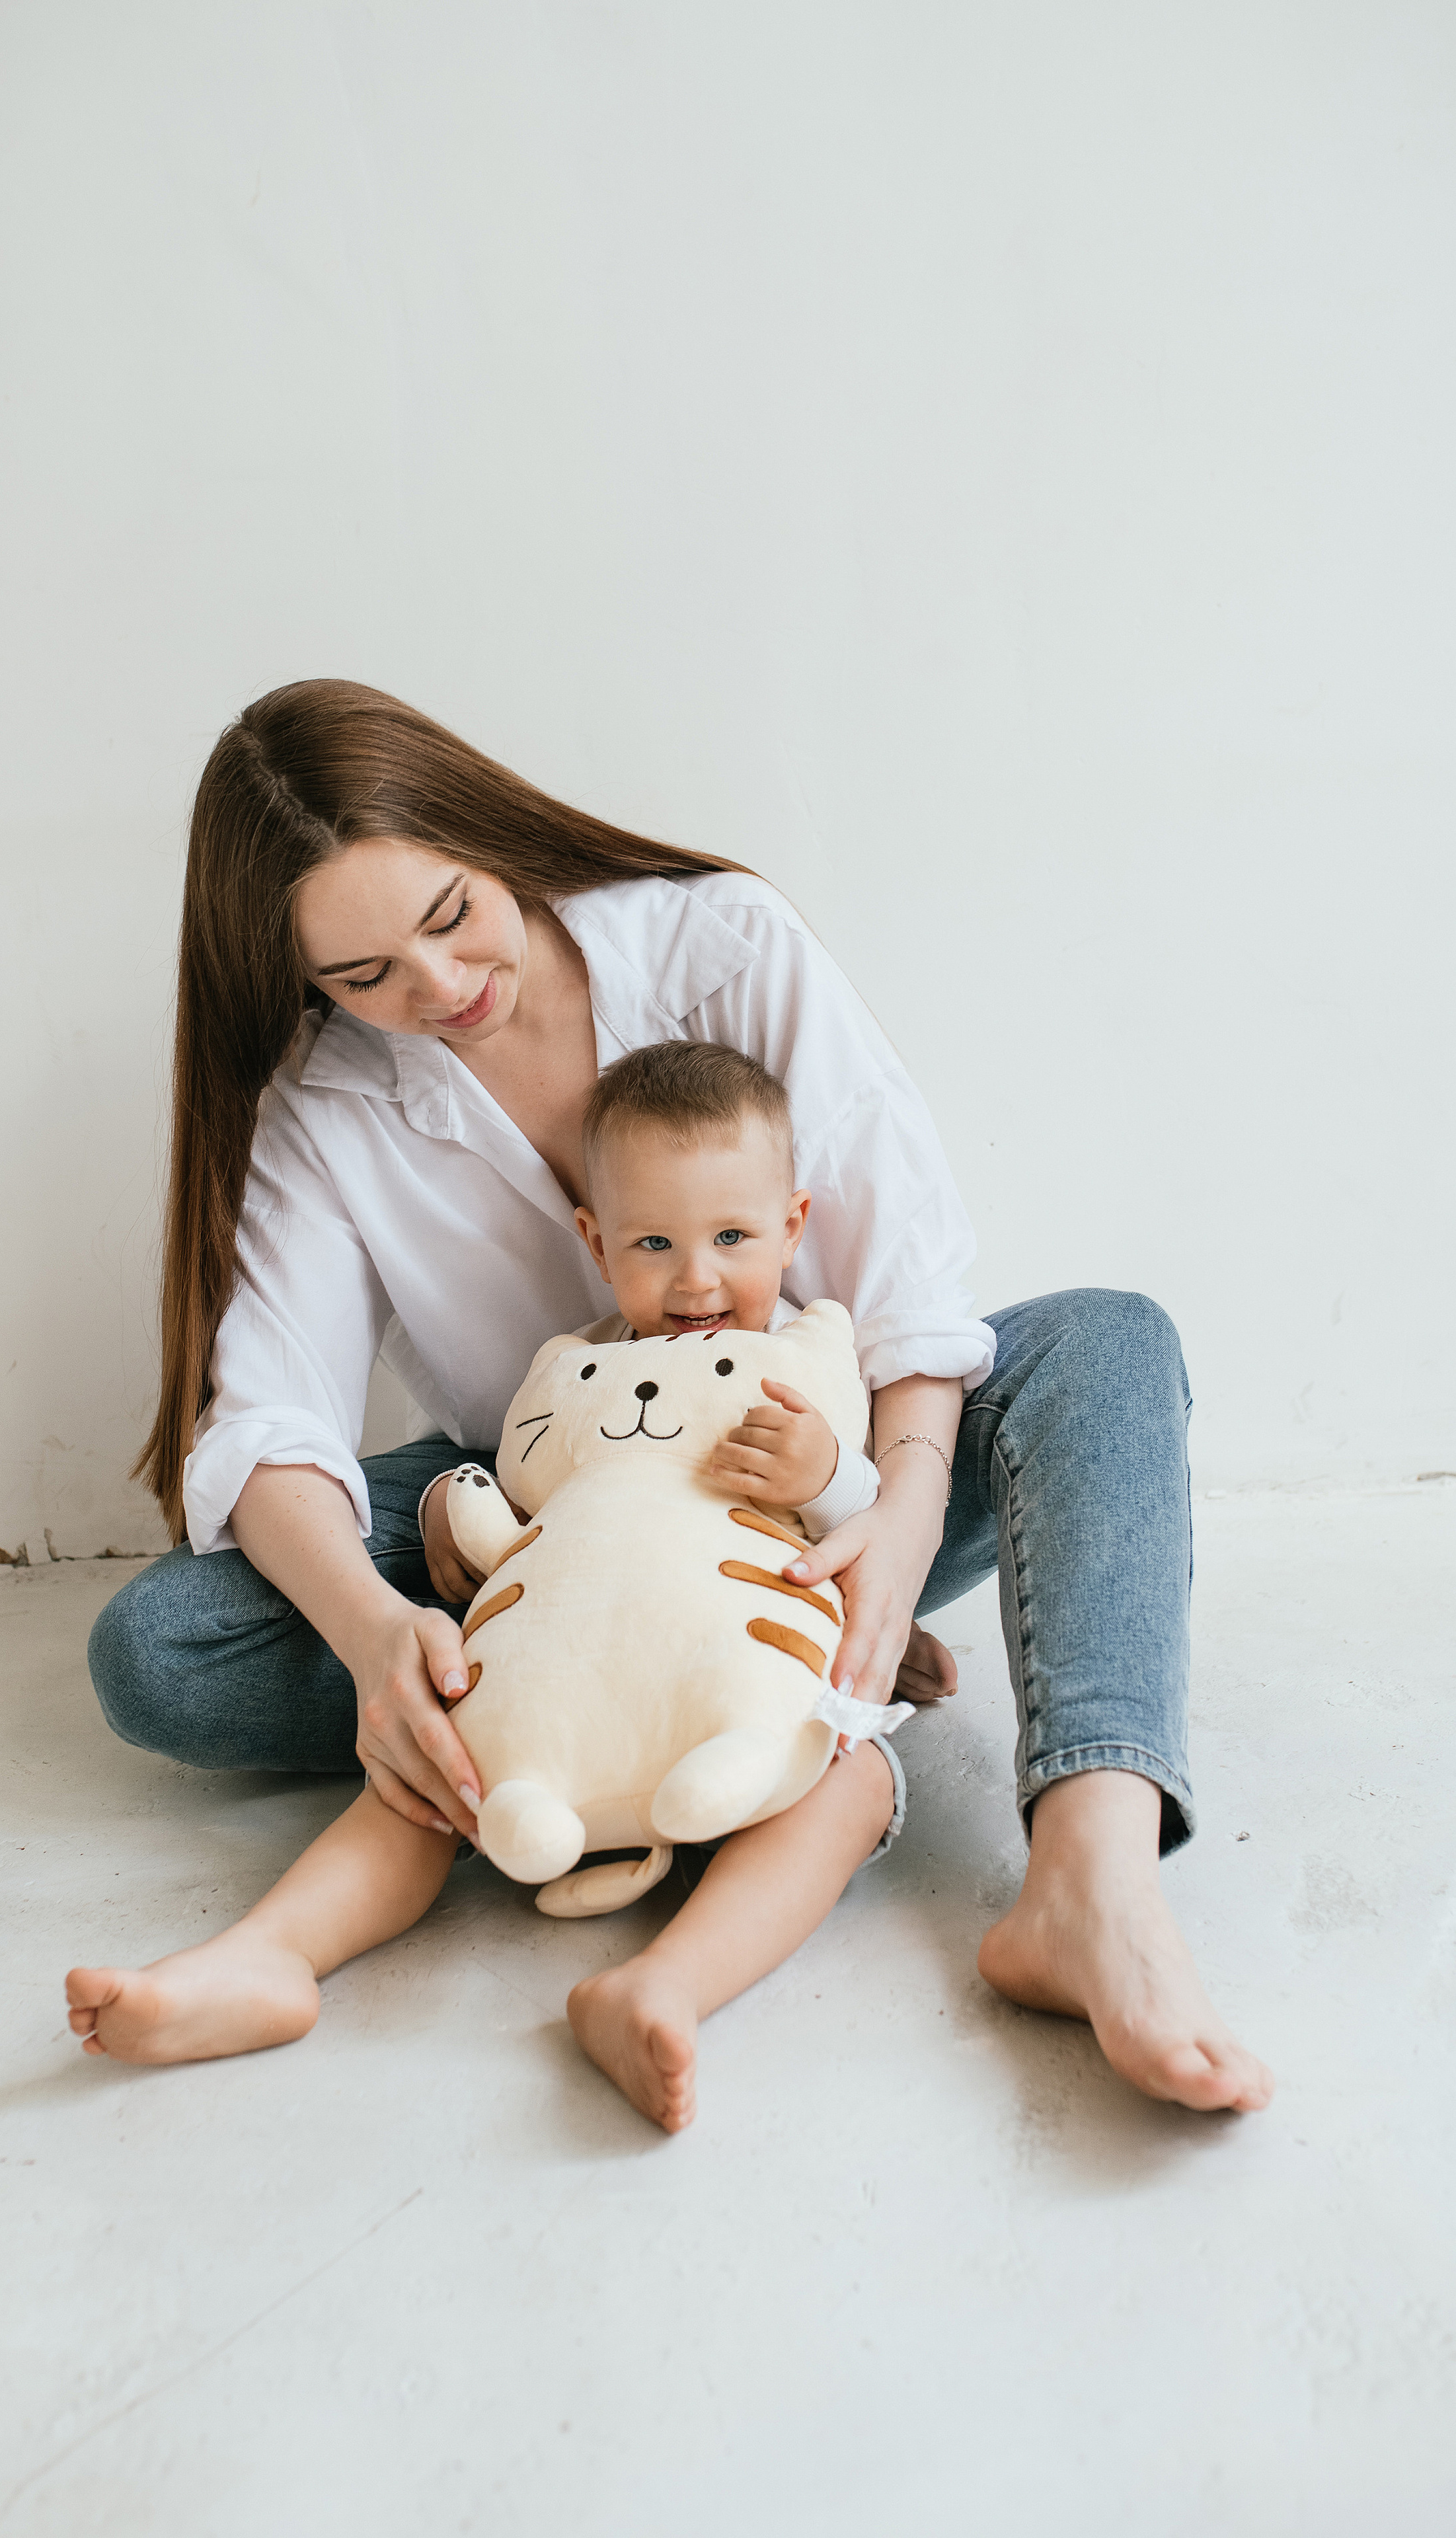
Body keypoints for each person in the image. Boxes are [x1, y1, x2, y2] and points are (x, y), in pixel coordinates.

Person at [84, 677, 1274, 2118]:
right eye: (365, 978)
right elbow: (270, 1425)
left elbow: (908, 1298)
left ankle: (1087, 1883)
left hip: (818, 1479)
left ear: (487, 832)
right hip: (538, 1512)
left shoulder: (719, 948)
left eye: (453, 915)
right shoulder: (325, 1102)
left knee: (1103, 1341)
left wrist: (890, 1533)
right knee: (160, 1648)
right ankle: (572, 1698)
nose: (439, 990)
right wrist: (379, 1633)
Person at [67, 1046, 913, 2131]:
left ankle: (666, 1984)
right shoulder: (574, 1375)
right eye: (654, 1244)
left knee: (851, 1775)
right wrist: (451, 1510)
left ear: (792, 1226)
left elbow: (873, 1527)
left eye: (732, 1240)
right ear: (597, 1244)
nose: (697, 1281)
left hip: (731, 1696)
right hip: (559, 1697)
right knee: (435, 1755)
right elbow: (520, 1503)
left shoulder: (807, 1369)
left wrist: (831, 1479)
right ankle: (267, 1956)